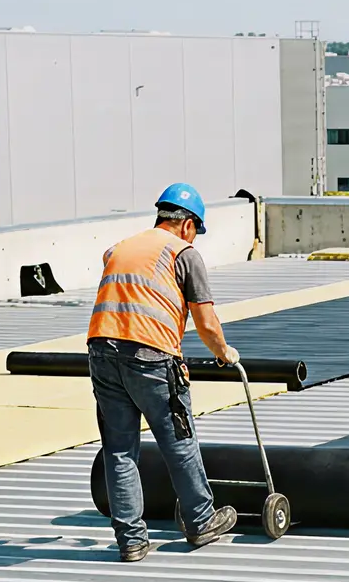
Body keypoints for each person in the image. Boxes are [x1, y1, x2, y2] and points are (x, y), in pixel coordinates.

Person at [86, 183, 240, 562]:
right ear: (188, 225)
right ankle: (201, 522)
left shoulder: (118, 248)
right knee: (178, 440)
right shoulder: (184, 254)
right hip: (151, 358)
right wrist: (224, 353)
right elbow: (205, 322)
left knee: (119, 450)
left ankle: (132, 541)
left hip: (102, 353)